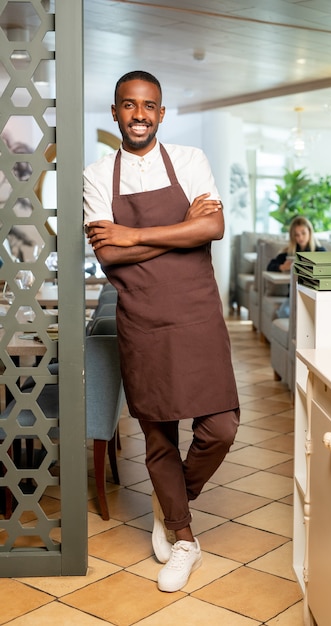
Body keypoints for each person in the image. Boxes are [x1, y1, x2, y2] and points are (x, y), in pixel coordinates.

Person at [83, 70, 240, 593]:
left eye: (149, 106)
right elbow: (109, 256)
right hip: (143, 318)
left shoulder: (191, 160)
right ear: (115, 113)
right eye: (128, 105)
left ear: (162, 113)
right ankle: (183, 535)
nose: (139, 115)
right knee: (158, 435)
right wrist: (180, 234)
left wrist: (135, 234)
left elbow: (212, 227)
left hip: (197, 312)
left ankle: (170, 497)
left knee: (221, 428)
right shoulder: (96, 176)